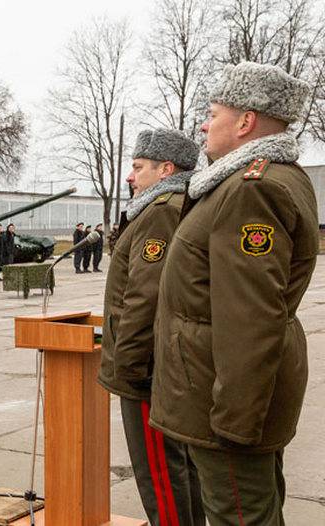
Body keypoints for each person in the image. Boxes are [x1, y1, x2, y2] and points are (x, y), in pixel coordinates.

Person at [150, 63, 318, 526]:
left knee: (241, 516)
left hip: (224, 406)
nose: (204, 124)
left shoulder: (253, 190)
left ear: (245, 123)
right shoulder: (252, 181)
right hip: (220, 393)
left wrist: (234, 424)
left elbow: (250, 318)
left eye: (213, 112)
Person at [98, 128, 204, 526]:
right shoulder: (171, 204)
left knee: (160, 472)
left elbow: (144, 299)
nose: (130, 175)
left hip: (147, 368)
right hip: (163, 363)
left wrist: (128, 368)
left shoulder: (160, 210)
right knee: (179, 468)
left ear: (166, 169)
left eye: (138, 167)